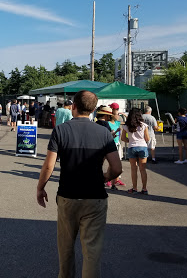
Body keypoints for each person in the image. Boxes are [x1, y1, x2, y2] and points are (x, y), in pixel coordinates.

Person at [36, 90, 122, 278]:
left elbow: (49, 165)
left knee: (65, 248)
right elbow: (116, 168)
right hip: (95, 197)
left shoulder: (61, 130)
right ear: (92, 110)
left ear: (73, 106)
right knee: (92, 252)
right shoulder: (104, 132)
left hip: (68, 195)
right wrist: (105, 177)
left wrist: (40, 187)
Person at [121, 108, 150, 194]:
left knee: (134, 169)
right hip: (142, 147)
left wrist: (130, 140)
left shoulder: (126, 126)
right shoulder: (144, 125)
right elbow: (147, 138)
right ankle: (144, 189)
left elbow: (123, 138)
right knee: (143, 169)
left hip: (132, 147)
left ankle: (134, 188)